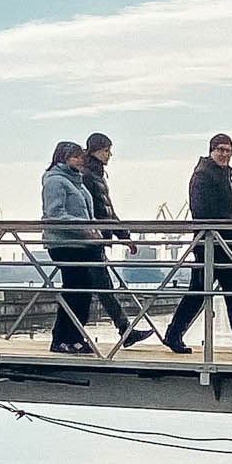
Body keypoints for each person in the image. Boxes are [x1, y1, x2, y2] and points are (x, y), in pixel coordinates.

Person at [161, 133, 232, 356]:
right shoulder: (203, 176)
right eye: (220, 149)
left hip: (223, 244)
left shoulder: (221, 175)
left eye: (228, 150)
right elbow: (205, 212)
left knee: (226, 291)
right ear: (211, 151)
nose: (224, 154)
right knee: (213, 292)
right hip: (212, 245)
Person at [74, 132, 152, 349]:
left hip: (96, 239)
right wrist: (120, 235)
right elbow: (96, 211)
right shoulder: (89, 176)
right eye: (106, 150)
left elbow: (107, 210)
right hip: (92, 241)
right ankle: (123, 331)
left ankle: (74, 336)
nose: (109, 155)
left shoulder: (95, 175)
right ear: (95, 151)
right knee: (99, 288)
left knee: (90, 290)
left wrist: (123, 235)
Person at [40, 140, 108, 353]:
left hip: (82, 244)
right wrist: (85, 228)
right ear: (62, 157)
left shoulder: (76, 181)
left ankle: (76, 337)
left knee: (83, 291)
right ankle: (61, 339)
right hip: (64, 244)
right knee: (74, 291)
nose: (80, 160)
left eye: (81, 156)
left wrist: (95, 228)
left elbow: (86, 213)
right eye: (75, 156)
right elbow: (55, 215)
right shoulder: (55, 181)